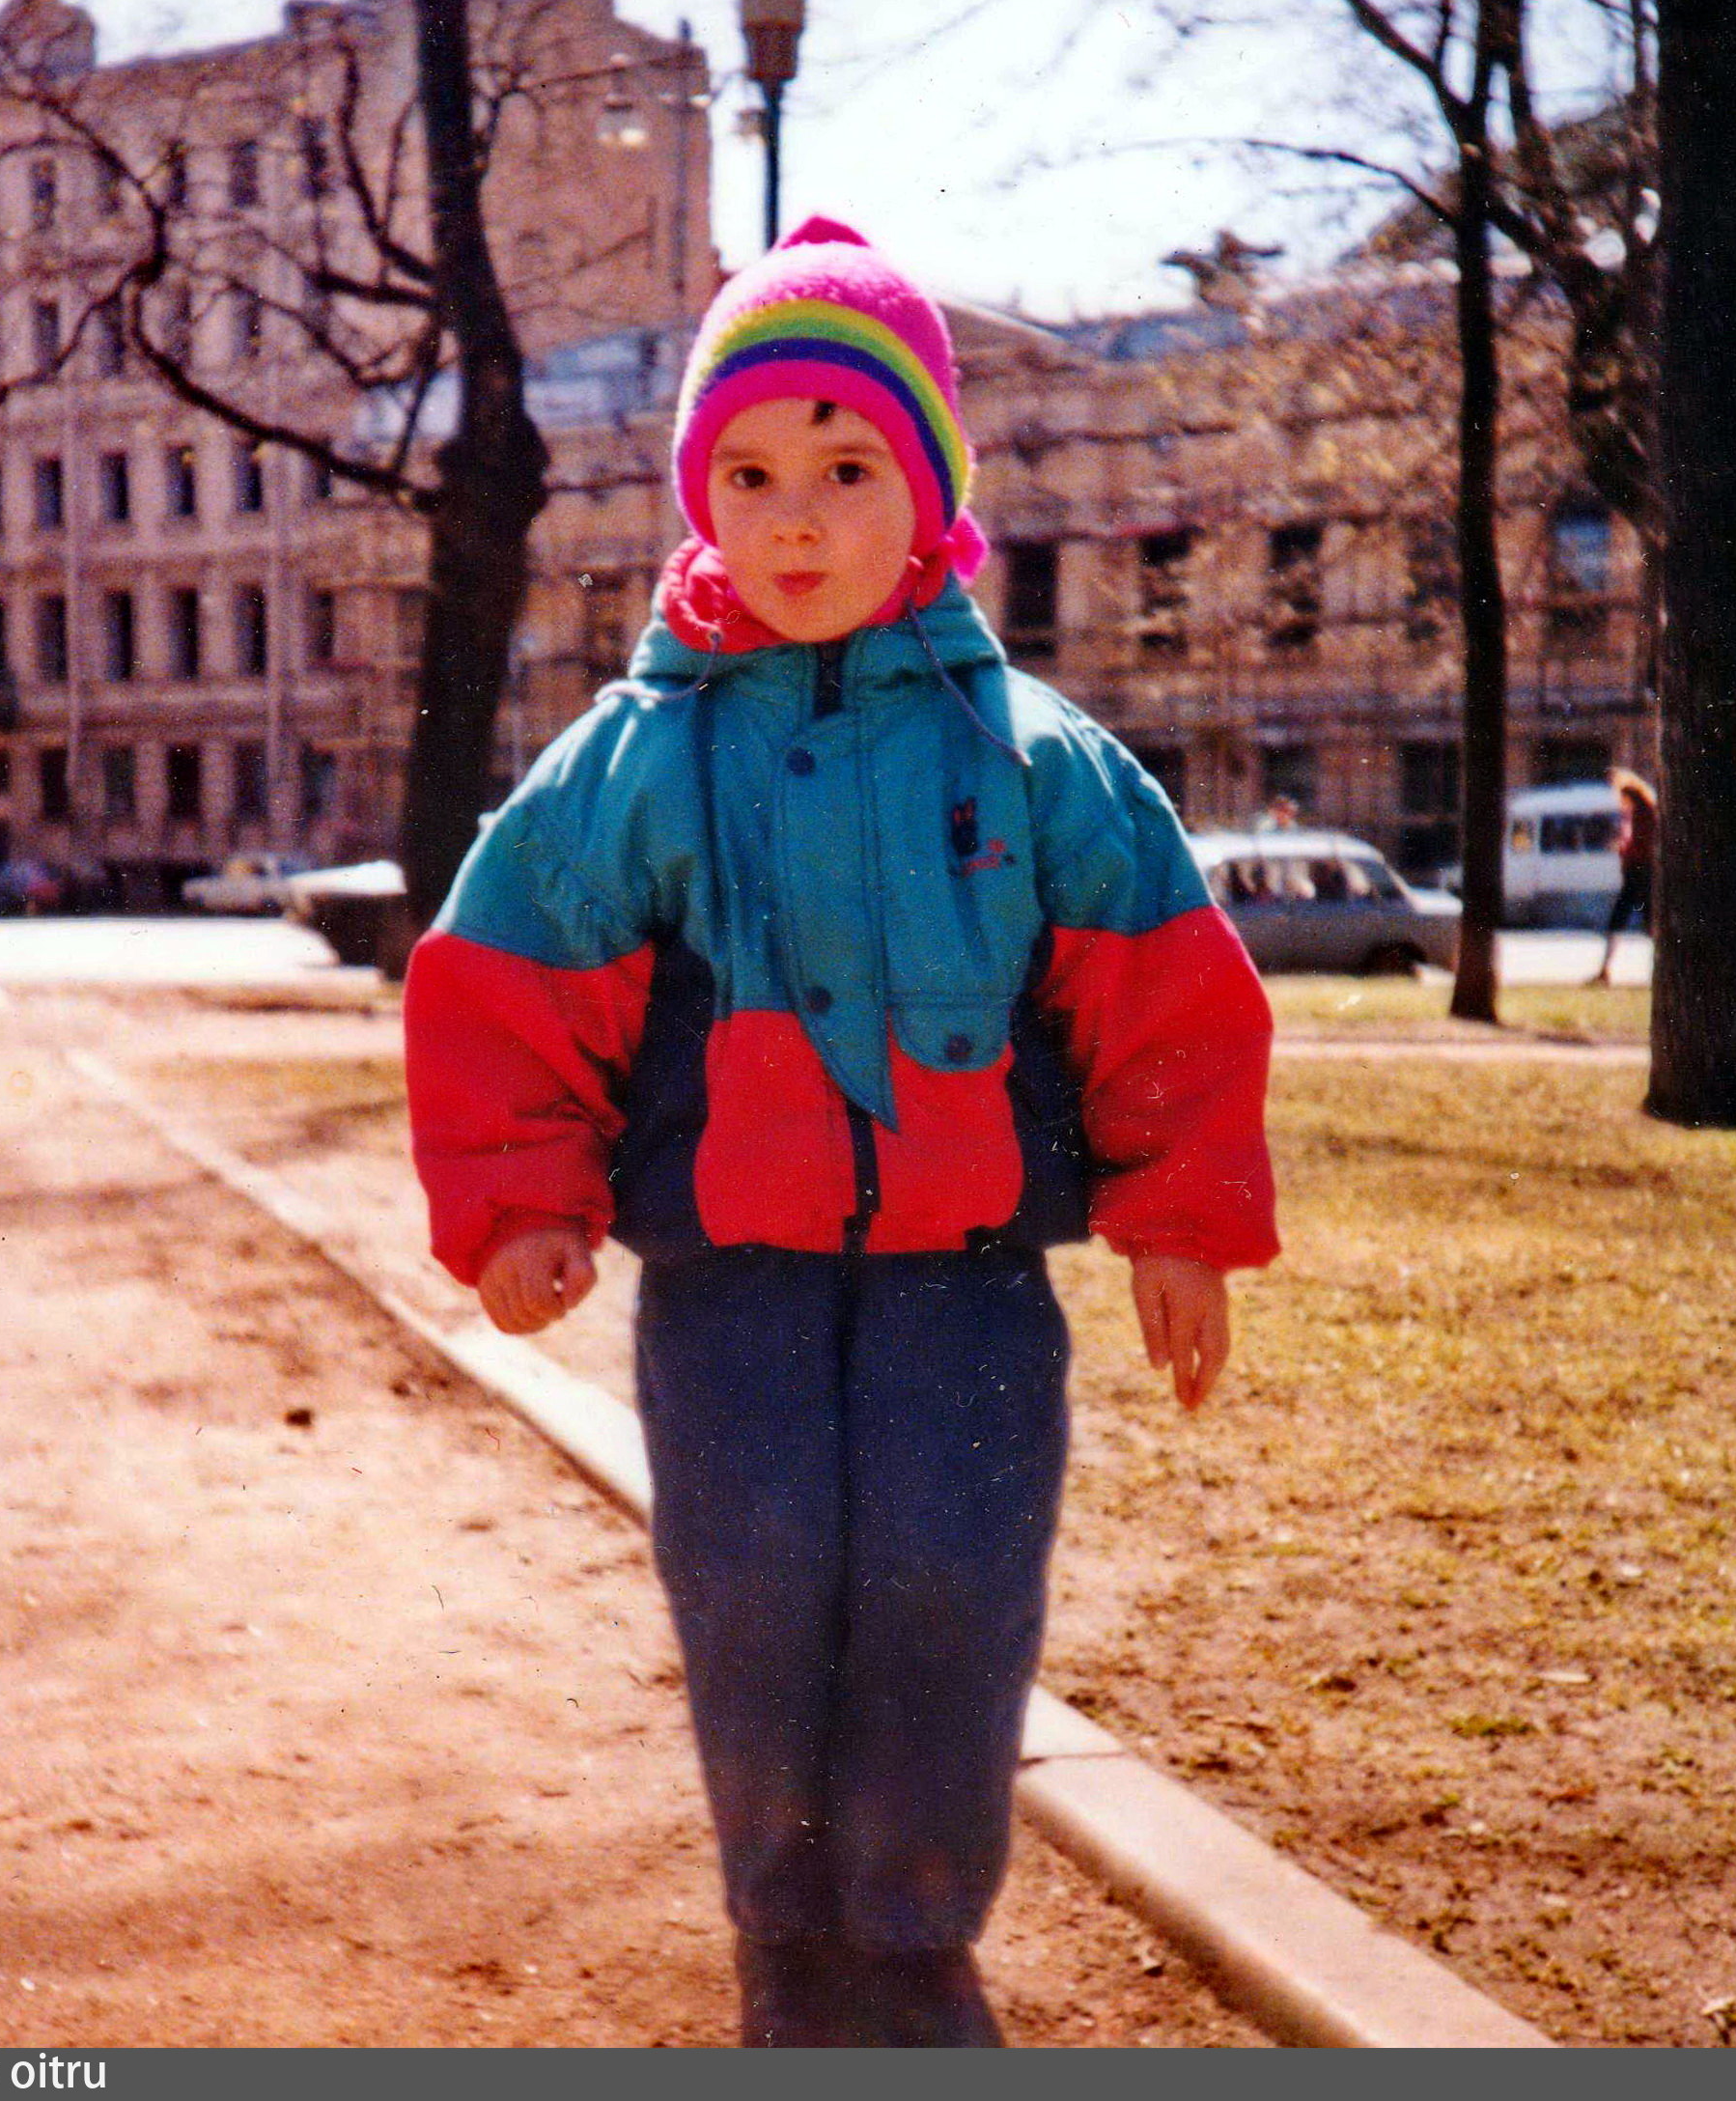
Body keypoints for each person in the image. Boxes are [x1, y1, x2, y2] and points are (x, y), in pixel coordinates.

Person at [404, 217, 1277, 2048]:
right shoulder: (638, 752)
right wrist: (516, 1203)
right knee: (754, 1597)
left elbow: (1161, 996)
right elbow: (507, 982)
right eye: (748, 473)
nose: (791, 519)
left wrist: (1178, 1215)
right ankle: (788, 1946)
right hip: (728, 1288)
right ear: (696, 495)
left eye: (844, 470)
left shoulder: (1030, 752)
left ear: (932, 498)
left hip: (967, 1290)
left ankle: (912, 1941)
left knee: (953, 1590)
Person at [1585, 765, 1659, 987]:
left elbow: (1639, 844)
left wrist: (1622, 848)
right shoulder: (1637, 812)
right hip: (1635, 873)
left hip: (1639, 872)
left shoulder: (1641, 813)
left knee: (1629, 921)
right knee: (1641, 922)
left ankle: (1606, 970)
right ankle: (1606, 970)